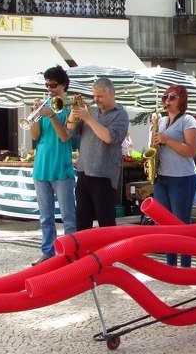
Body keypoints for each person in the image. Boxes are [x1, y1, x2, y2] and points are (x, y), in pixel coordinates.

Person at [29, 66, 76, 265]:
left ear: (63, 85)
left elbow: (66, 137)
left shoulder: (71, 108)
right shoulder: (45, 105)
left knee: (68, 216)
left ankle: (71, 253)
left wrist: (52, 116)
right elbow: (35, 136)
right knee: (45, 217)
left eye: (53, 85)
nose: (50, 88)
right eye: (47, 85)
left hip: (61, 168)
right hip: (41, 168)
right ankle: (47, 252)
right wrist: (34, 115)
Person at [68, 77, 129, 231]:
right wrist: (74, 112)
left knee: (106, 222)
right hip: (84, 171)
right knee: (82, 220)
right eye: (94, 95)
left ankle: (109, 255)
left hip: (104, 175)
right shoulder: (91, 110)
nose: (96, 99)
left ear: (112, 93)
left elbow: (109, 137)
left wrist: (88, 118)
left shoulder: (120, 114)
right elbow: (69, 130)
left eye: (100, 96)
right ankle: (83, 254)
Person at [150, 85, 196, 268]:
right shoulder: (160, 121)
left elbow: (190, 151)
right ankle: (170, 266)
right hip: (161, 176)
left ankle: (185, 265)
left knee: (180, 224)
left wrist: (167, 140)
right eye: (165, 98)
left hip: (181, 177)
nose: (167, 101)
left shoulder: (188, 120)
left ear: (182, 100)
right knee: (165, 224)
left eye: (172, 97)